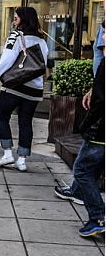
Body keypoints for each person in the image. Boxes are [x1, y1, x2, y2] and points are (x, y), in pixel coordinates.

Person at [0, 7, 49, 172]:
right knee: (26, 122)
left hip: (14, 85)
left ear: (22, 20)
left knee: (2, 116)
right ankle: (21, 160)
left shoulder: (16, 36)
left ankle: (7, 154)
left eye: (15, 18)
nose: (14, 21)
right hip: (35, 89)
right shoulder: (42, 40)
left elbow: (6, 61)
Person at [54, 62, 104, 236]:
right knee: (92, 169)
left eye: (104, 33)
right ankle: (77, 192)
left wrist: (86, 125)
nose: (102, 37)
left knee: (82, 170)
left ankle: (98, 217)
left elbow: (100, 102)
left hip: (100, 131)